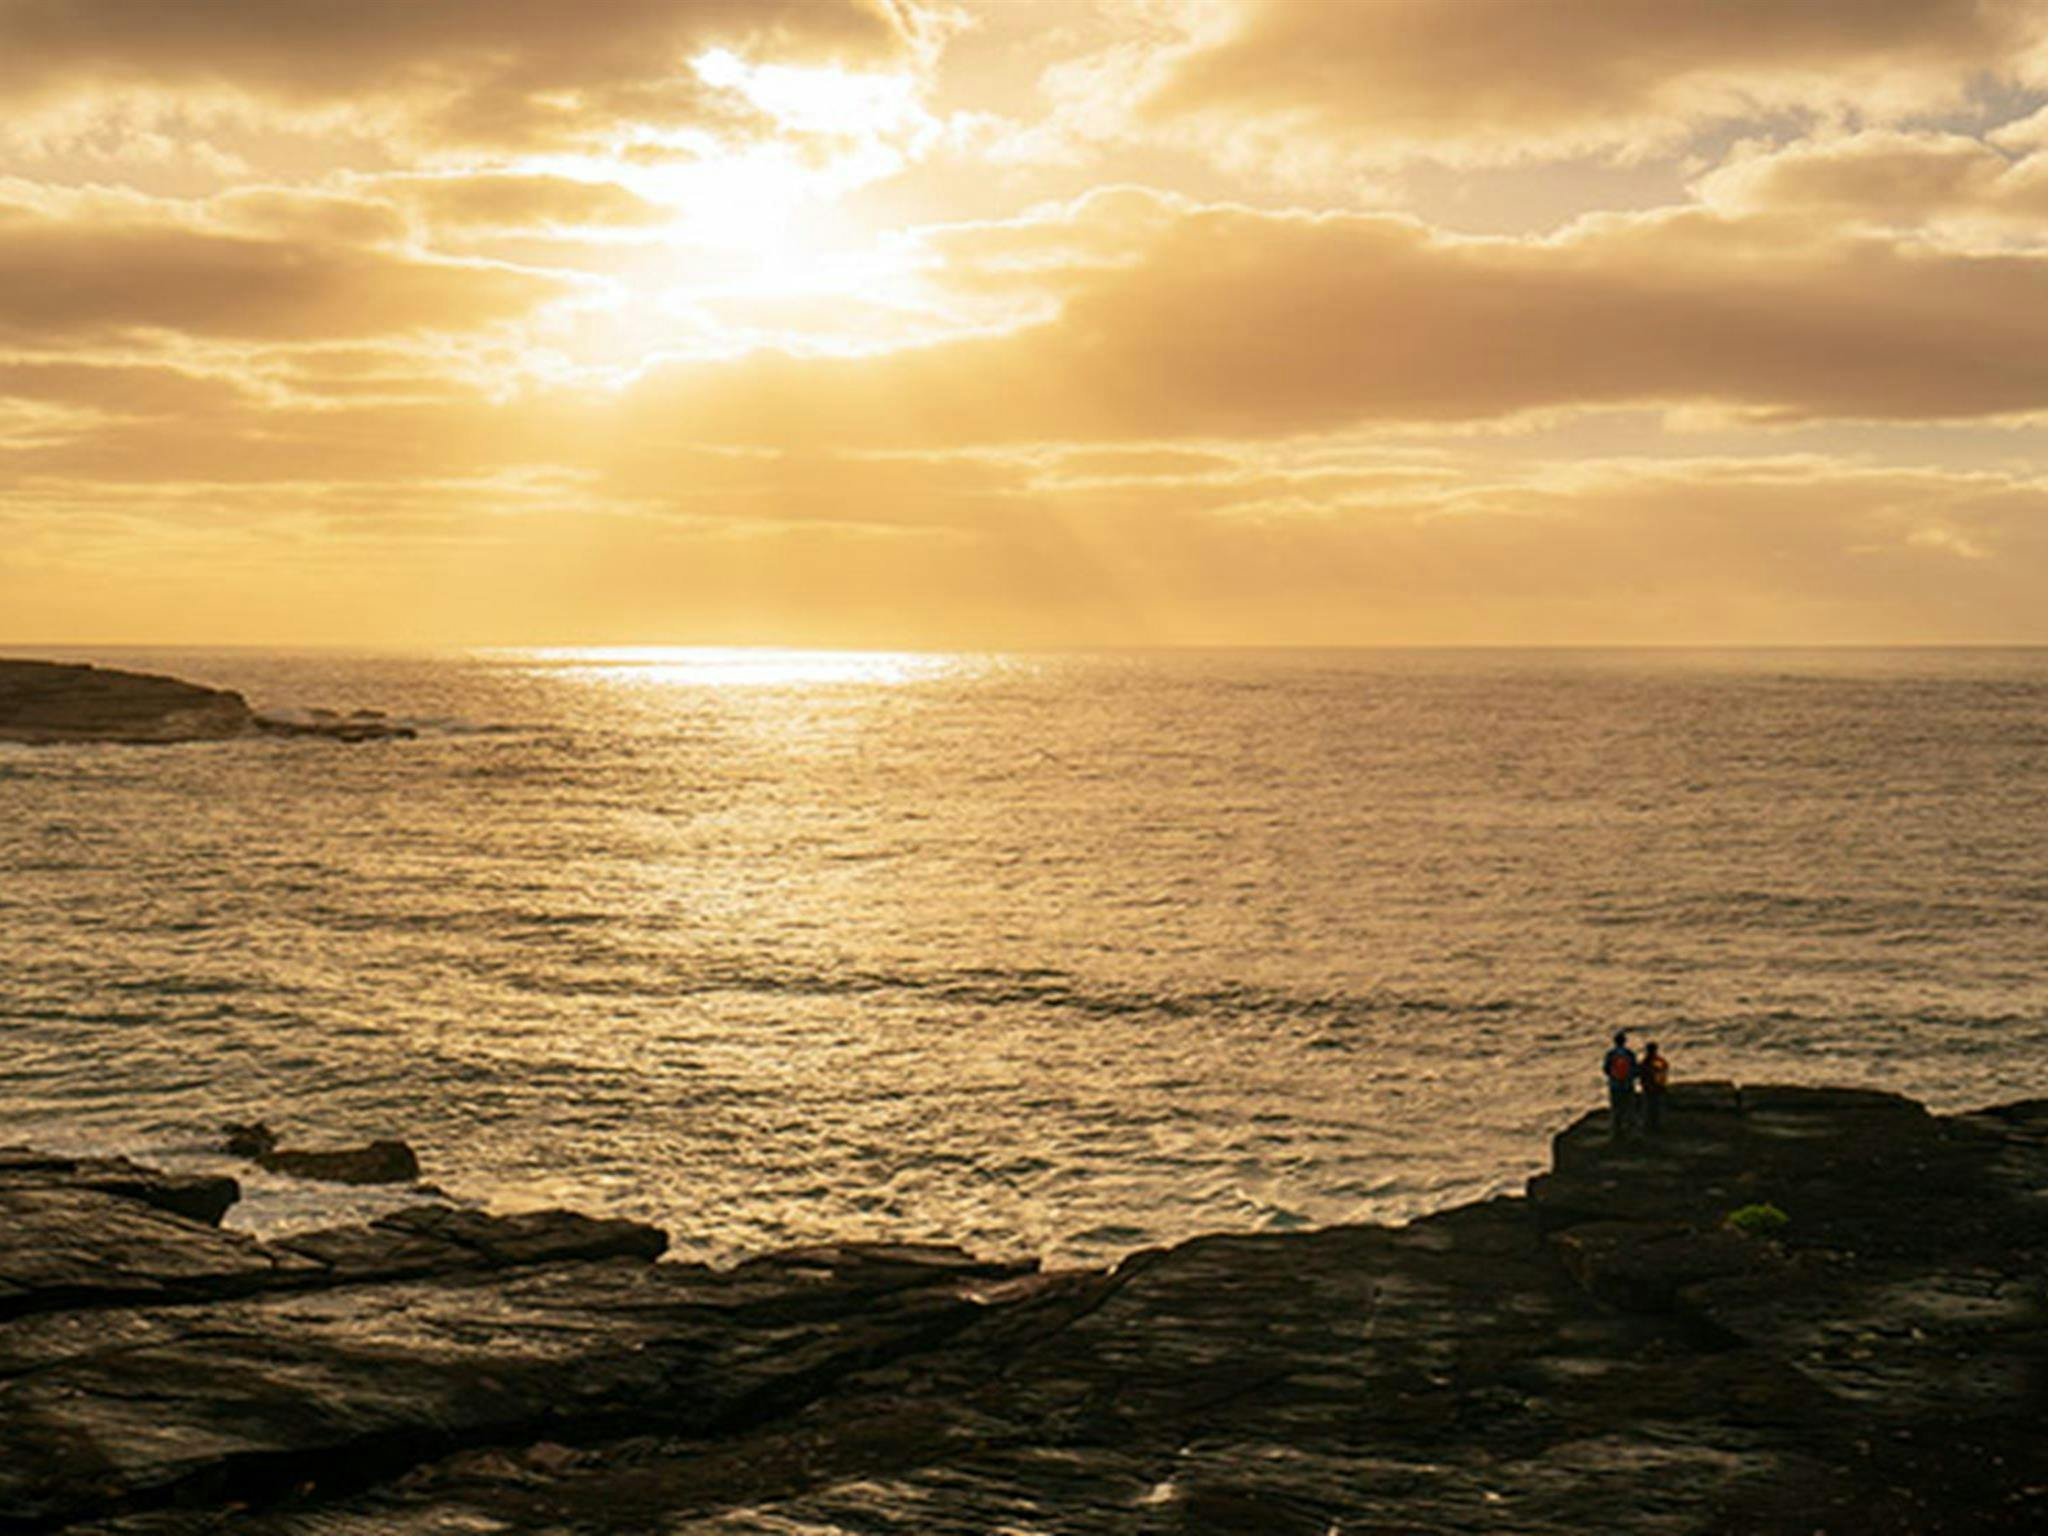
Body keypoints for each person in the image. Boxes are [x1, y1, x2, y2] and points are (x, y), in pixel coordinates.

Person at [1601, 1030, 1638, 1140]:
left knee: (1616, 1108)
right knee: (1629, 1107)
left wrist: (1613, 1077)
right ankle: (1630, 1131)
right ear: (1625, 1041)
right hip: (1628, 1084)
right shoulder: (1629, 1053)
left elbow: (1606, 1069)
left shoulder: (1611, 1054)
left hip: (1615, 1085)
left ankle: (1616, 1132)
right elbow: (1635, 1069)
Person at [1639, 1040, 1670, 1133]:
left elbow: (1641, 1074)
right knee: (1658, 1108)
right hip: (1659, 1086)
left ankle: (1649, 1126)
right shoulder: (1660, 1061)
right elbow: (1665, 1069)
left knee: (1648, 1108)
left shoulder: (1645, 1062)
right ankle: (1658, 1126)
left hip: (1649, 1087)